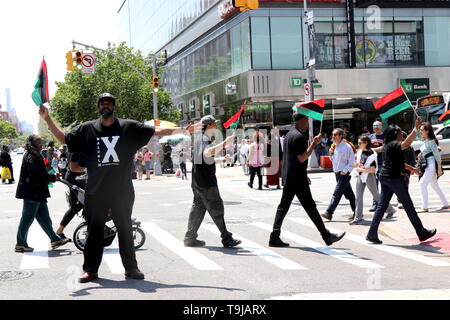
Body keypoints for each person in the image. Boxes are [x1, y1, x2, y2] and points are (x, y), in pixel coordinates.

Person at [39, 92, 191, 283]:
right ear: (99, 107)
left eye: (109, 103)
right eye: (102, 103)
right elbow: (64, 139)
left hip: (122, 191)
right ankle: (90, 270)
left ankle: (131, 268)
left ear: (113, 106)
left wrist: (183, 130)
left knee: (125, 229)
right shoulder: (87, 129)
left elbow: (156, 131)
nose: (106, 105)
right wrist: (48, 119)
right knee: (94, 232)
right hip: (96, 191)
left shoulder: (128, 127)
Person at [269, 113, 345, 247]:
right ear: (301, 121)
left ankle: (274, 236)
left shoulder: (289, 135)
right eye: (306, 120)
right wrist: (314, 144)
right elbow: (301, 158)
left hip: (291, 176)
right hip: (297, 179)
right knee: (310, 207)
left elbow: (293, 159)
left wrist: (304, 174)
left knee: (284, 207)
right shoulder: (298, 137)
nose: (307, 123)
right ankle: (326, 236)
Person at [366, 118, 437, 244]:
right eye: (399, 132)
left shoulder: (388, 145)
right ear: (395, 135)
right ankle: (421, 232)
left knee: (381, 207)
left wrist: (412, 169)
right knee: (409, 206)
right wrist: (415, 129)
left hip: (385, 177)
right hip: (394, 179)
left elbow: (399, 163)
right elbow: (407, 144)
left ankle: (372, 233)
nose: (401, 133)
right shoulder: (394, 144)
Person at [184, 115, 241, 248]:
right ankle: (226, 237)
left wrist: (222, 160)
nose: (216, 127)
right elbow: (207, 153)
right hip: (206, 183)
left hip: (198, 182)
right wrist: (225, 142)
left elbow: (205, 160)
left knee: (198, 209)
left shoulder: (199, 139)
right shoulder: (203, 139)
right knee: (216, 208)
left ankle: (190, 238)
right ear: (209, 126)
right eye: (214, 124)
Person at [15, 135, 70, 252]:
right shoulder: (30, 156)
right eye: (38, 143)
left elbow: (41, 172)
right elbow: (37, 175)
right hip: (32, 192)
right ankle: (20, 243)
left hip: (38, 192)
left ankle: (55, 239)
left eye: (41, 142)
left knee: (45, 218)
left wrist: (51, 175)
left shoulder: (36, 155)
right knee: (27, 219)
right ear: (32, 144)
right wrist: (52, 177)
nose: (41, 145)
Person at [351, 136, 395, 225]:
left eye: (360, 143)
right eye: (358, 143)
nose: (358, 144)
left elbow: (372, 170)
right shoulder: (360, 152)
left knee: (376, 196)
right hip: (361, 175)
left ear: (366, 143)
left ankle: (390, 209)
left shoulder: (372, 155)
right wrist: (356, 165)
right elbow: (358, 163)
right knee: (358, 196)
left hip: (369, 176)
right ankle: (358, 218)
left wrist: (361, 170)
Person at [321, 128, 356, 221]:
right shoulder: (335, 146)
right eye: (332, 134)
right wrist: (331, 154)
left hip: (343, 174)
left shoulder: (347, 147)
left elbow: (352, 162)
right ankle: (357, 212)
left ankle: (329, 212)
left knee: (337, 193)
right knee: (350, 195)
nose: (333, 136)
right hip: (337, 174)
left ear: (341, 136)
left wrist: (345, 171)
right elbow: (334, 160)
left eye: (335, 134)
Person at [418, 122, 449, 212]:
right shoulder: (426, 141)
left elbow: (437, 155)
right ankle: (445, 203)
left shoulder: (431, 141)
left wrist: (439, 168)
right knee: (434, 185)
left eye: (422, 130)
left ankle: (425, 206)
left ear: (427, 131)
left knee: (422, 184)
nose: (420, 131)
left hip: (431, 165)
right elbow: (428, 151)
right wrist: (421, 154)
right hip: (428, 164)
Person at [55, 152, 86, 240]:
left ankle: (59, 231)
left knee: (76, 207)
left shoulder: (83, 147)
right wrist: (89, 169)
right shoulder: (76, 150)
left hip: (79, 179)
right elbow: (74, 168)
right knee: (84, 202)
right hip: (75, 180)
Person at [368, 120, 384, 212]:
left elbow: (383, 148)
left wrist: (372, 150)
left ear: (381, 126)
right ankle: (375, 203)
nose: (376, 127)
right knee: (374, 184)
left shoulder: (384, 136)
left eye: (377, 126)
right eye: (374, 126)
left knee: (383, 183)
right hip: (372, 163)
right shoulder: (370, 137)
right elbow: (366, 148)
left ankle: (383, 202)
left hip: (382, 162)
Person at [398, 131, 416, 209]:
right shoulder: (397, 147)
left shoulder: (410, 147)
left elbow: (413, 159)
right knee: (398, 185)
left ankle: (403, 201)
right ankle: (399, 201)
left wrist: (412, 168)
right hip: (398, 169)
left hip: (407, 170)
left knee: (405, 185)